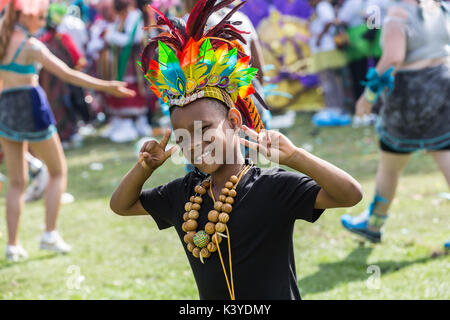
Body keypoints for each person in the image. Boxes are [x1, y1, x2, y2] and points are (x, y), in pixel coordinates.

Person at [110, 0, 362, 300]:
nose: (194, 144)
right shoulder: (183, 194)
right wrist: (145, 168)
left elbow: (350, 194)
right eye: (182, 137)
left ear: (233, 120)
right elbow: (121, 206)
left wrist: (297, 158)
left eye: (204, 129)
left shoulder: (271, 186)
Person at [0, 0, 135, 261]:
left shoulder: (3, 41)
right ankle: (49, 234)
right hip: (30, 106)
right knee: (58, 171)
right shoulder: (31, 46)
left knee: (17, 182)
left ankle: (12, 245)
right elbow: (68, 75)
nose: (42, 23)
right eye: (40, 18)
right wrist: (108, 86)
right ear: (25, 17)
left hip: (6, 109)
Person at [340, 0, 450, 245]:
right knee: (445, 154)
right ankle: (372, 223)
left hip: (409, 96)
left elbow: (392, 59)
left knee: (390, 165)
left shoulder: (398, 14)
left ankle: (373, 224)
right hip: (444, 87)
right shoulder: (440, 7)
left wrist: (367, 97)